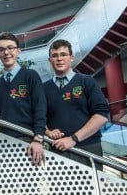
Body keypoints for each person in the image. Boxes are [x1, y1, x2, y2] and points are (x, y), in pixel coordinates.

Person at [43, 39, 109, 169]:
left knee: (91, 189)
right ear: (50, 60)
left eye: (63, 54)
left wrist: (73, 139)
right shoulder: (43, 88)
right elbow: (38, 118)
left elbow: (101, 116)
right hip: (57, 150)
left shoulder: (86, 81)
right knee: (60, 189)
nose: (59, 59)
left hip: (88, 148)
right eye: (55, 56)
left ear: (71, 58)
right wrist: (48, 132)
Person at [0, 32, 47, 167]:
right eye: (1, 49)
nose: (6, 52)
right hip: (4, 141)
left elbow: (40, 107)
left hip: (28, 139)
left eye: (10, 48)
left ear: (18, 51)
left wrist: (38, 139)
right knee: (5, 186)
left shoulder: (30, 76)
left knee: (29, 186)